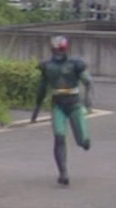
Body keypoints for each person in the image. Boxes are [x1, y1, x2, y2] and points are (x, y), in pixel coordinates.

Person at [31, 34, 94, 186]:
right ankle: (63, 172)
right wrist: (36, 109)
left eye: (60, 50)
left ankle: (84, 141)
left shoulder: (75, 64)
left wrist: (88, 101)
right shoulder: (48, 66)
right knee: (59, 137)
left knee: (82, 140)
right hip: (58, 104)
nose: (58, 53)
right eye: (56, 50)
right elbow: (41, 88)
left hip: (74, 104)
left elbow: (88, 81)